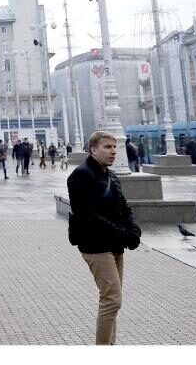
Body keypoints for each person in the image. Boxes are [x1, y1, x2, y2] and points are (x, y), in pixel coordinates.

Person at [67, 130, 141, 346]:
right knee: (112, 299)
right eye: (107, 147)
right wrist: (123, 234)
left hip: (115, 244)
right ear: (93, 149)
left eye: (115, 147)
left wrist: (134, 230)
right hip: (95, 245)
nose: (113, 151)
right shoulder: (81, 175)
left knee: (112, 300)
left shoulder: (111, 175)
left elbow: (123, 206)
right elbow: (87, 215)